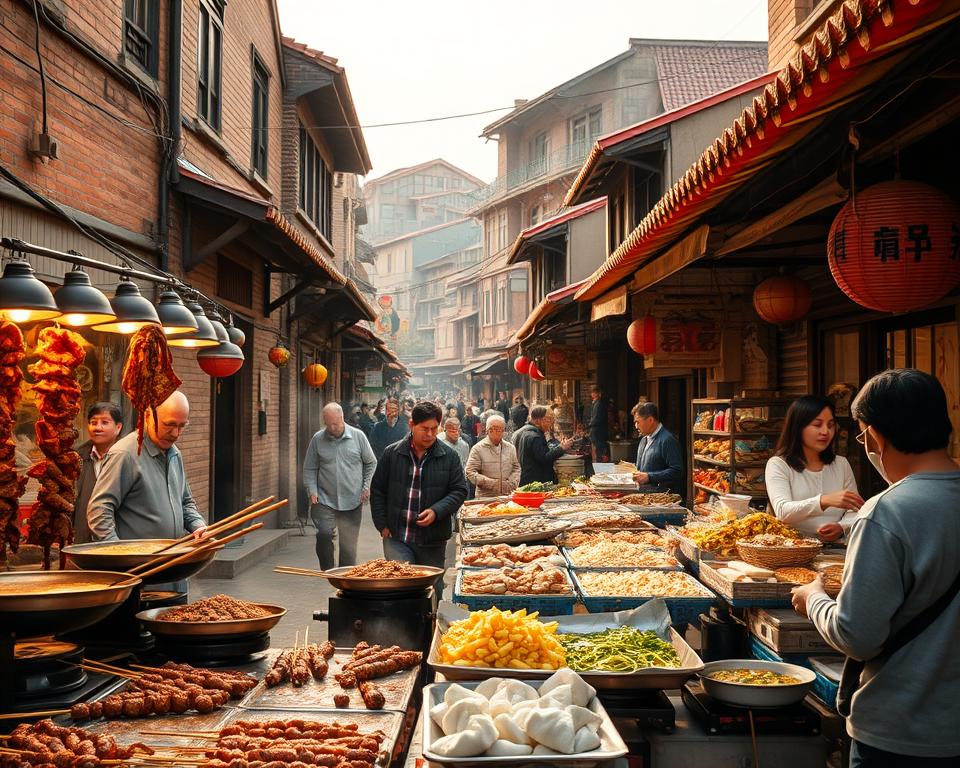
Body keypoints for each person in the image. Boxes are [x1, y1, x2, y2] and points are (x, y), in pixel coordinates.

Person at [791, 369, 960, 766]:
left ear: (878, 437)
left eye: (863, 436)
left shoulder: (886, 512)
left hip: (900, 732)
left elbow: (857, 635)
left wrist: (814, 597)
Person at [87, 391, 206, 592]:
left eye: (181, 426)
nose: (176, 434)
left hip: (172, 569)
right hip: (137, 576)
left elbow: (185, 502)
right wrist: (118, 556)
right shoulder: (125, 454)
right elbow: (99, 510)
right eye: (169, 425)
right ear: (148, 416)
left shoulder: (175, 453)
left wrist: (198, 526)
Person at [370, 401, 468, 568]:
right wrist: (382, 524)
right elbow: (378, 490)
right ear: (412, 424)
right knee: (403, 585)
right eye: (424, 428)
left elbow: (459, 490)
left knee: (431, 589)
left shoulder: (449, 456)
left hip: (432, 540)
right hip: (397, 537)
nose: (430, 434)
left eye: (434, 429)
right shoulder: (392, 454)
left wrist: (436, 511)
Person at [765, 395, 863, 541]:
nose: (825, 431)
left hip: (835, 550)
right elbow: (783, 511)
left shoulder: (841, 464)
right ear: (798, 427)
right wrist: (823, 501)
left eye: (830, 425)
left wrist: (842, 526)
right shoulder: (779, 464)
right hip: (790, 549)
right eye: (817, 425)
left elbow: (855, 509)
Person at [302, 402, 377, 570]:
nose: (332, 428)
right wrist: (312, 490)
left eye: (335, 424)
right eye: (328, 424)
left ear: (342, 418)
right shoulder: (318, 439)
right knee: (324, 534)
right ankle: (328, 570)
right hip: (324, 499)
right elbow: (309, 467)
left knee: (348, 545)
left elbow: (371, 462)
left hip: (352, 499)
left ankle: (344, 577)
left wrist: (366, 486)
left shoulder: (358, 436)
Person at [73, 402, 123, 544]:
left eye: (105, 422)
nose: (98, 428)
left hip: (118, 539)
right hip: (83, 538)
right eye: (93, 423)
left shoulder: (128, 457)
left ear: (118, 427)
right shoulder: (77, 457)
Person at [631, 402, 683, 497]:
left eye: (638, 422)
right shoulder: (643, 440)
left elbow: (677, 471)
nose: (636, 426)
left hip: (663, 499)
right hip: (644, 496)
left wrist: (649, 477)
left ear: (650, 420)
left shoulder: (667, 440)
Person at [514, 405, 573, 486]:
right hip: (536, 482)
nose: (550, 423)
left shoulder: (529, 433)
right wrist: (561, 448)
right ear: (538, 421)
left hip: (531, 480)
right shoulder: (534, 436)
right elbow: (544, 458)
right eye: (548, 420)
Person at [466, 414, 521, 497]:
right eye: (492, 428)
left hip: (508, 495)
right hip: (485, 497)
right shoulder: (478, 448)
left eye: (499, 429)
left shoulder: (510, 447)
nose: (495, 431)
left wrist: (512, 482)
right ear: (487, 430)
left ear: (503, 430)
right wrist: (490, 483)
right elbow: (470, 472)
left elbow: (516, 467)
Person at [588, 385, 610, 463]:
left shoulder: (599, 403)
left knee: (598, 450)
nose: (592, 394)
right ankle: (598, 464)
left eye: (594, 392)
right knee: (596, 450)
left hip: (598, 430)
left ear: (598, 393)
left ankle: (599, 465)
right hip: (595, 430)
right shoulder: (595, 403)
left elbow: (597, 418)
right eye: (592, 392)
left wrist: (589, 425)